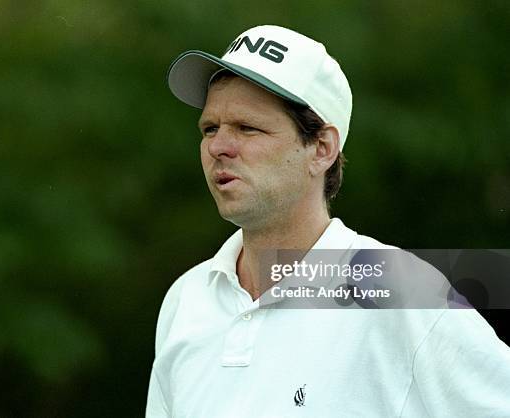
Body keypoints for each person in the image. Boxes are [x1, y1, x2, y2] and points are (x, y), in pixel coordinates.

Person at [146, 25, 510, 417]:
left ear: (321, 149)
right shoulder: (187, 299)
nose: (217, 147)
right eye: (209, 128)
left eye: (247, 128)